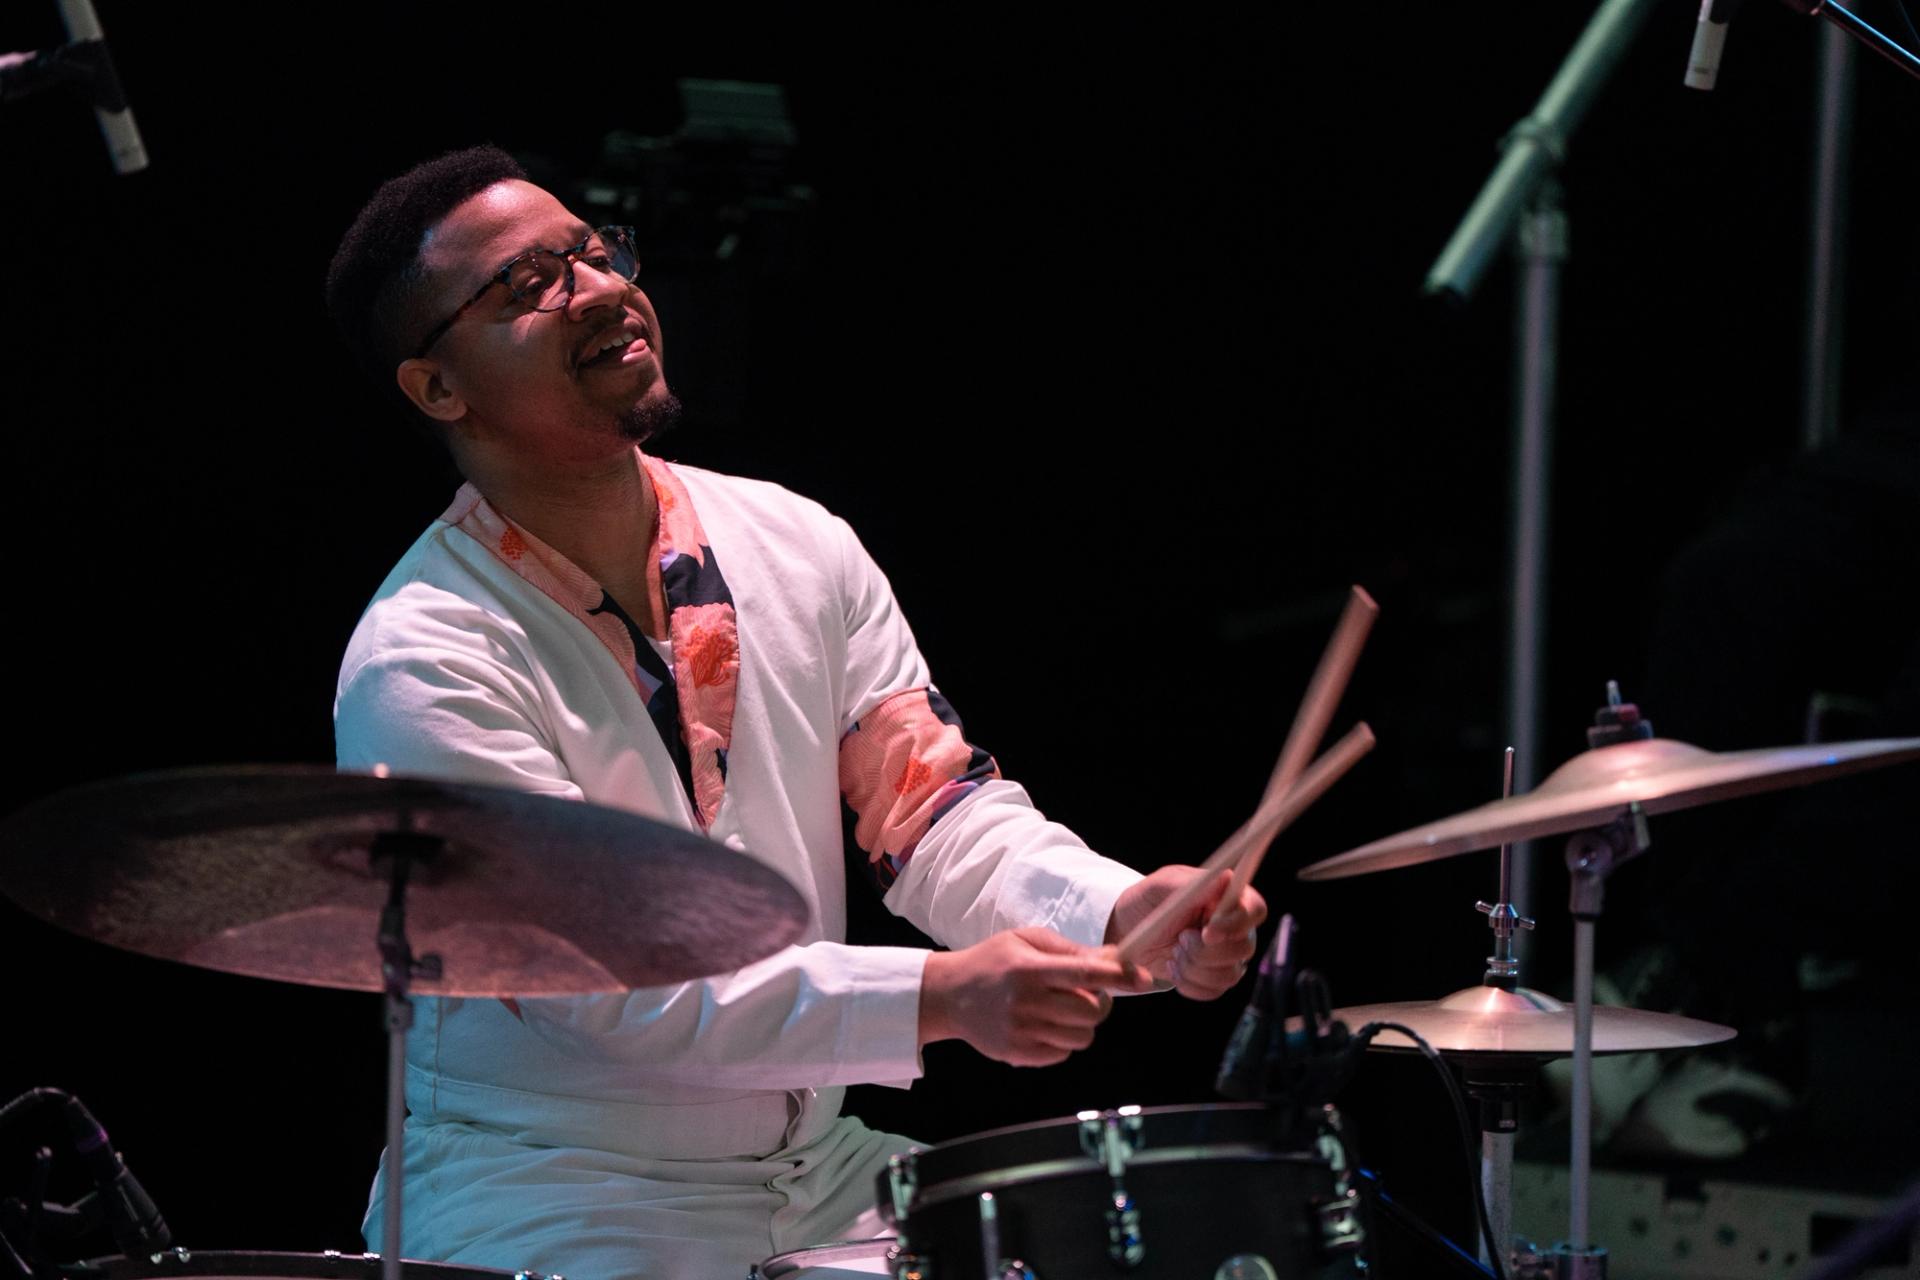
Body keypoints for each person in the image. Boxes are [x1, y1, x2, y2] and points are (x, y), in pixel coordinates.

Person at [323, 144, 1267, 1279]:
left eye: (595, 251)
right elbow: (619, 984)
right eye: (529, 285)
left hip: (814, 1169)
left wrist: (1117, 912)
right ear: (437, 386)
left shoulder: (795, 542)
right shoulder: (426, 657)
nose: (604, 287)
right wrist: (939, 997)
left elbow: (935, 814)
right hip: (548, 1183)